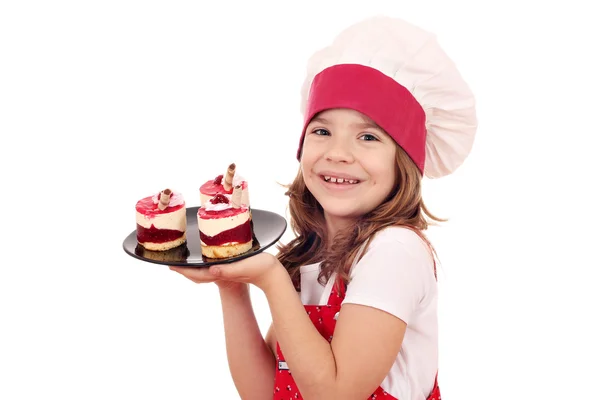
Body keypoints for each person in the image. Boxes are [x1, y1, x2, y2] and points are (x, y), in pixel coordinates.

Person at [170, 15, 477, 400]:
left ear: (405, 162)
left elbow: (335, 394)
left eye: (367, 136)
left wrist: (270, 278)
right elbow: (265, 392)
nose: (338, 153)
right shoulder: (313, 256)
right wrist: (231, 286)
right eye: (322, 131)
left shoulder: (395, 251)